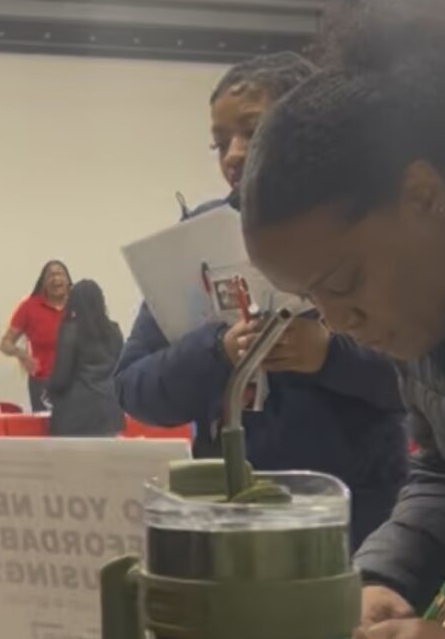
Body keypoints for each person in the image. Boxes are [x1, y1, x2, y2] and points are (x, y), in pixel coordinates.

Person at [240, 7, 445, 639]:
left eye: (342, 284)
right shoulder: (433, 301)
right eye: (311, 298)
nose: (337, 321)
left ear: (422, 195)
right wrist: (385, 578)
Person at [114, 53, 407, 549]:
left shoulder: (374, 228)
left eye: (252, 131)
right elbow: (133, 388)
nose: (233, 154)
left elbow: (426, 379)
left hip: (354, 525)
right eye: (220, 141)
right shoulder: (192, 244)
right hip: (227, 521)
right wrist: (217, 352)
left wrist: (329, 355)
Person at [46, 279, 125, 437]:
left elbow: (61, 378)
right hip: (110, 411)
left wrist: (49, 391)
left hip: (75, 414)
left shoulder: (70, 331)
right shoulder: (114, 331)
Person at [1, 260, 72, 409]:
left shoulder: (78, 305)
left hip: (76, 383)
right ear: (43, 282)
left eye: (60, 274)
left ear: (68, 281)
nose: (56, 279)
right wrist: (22, 354)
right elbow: (5, 344)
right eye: (51, 275)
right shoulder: (29, 307)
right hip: (43, 383)